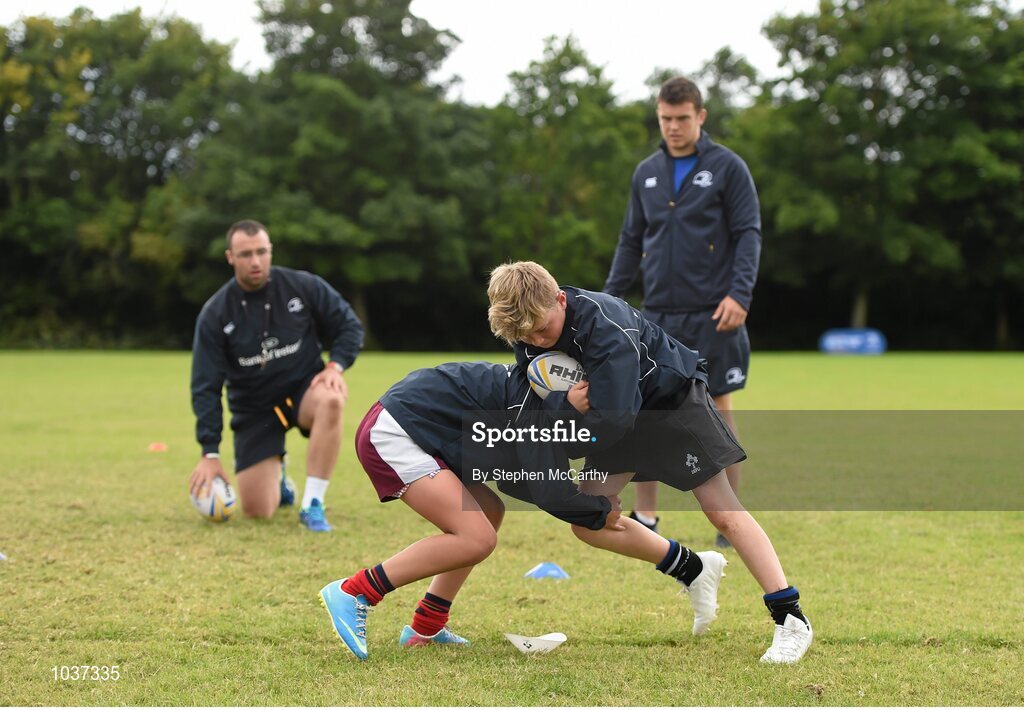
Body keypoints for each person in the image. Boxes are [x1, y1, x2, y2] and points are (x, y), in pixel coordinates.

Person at [487, 261, 812, 663]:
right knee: (588, 520)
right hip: (611, 416)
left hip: (670, 404)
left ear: (560, 299)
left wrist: (565, 427)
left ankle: (790, 617)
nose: (535, 342)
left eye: (541, 330)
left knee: (722, 511)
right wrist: (561, 404)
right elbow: (538, 393)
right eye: (524, 337)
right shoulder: (526, 331)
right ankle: (692, 569)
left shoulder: (606, 328)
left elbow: (614, 419)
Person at [318, 361, 728, 660]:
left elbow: (529, 484)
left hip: (431, 432)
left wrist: (591, 507)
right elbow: (549, 493)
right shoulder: (536, 412)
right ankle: (355, 591)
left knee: (488, 514)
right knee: (476, 536)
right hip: (397, 432)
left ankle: (426, 627)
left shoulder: (547, 404)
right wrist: (595, 507)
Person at [603, 76, 762, 547]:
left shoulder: (728, 167)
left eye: (682, 119)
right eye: (665, 119)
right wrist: (609, 299)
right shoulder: (646, 172)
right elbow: (631, 241)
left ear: (701, 117)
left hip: (715, 312)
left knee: (715, 408)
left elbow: (749, 233)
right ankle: (647, 516)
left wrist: (740, 294)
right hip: (657, 314)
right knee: (645, 409)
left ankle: (732, 524)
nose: (673, 127)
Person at [189, 219, 364, 531]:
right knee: (258, 511)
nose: (255, 261)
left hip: (303, 392)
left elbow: (349, 326)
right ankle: (279, 476)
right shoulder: (215, 313)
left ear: (271, 251)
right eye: (245, 255)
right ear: (231, 257)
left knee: (333, 399)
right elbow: (206, 386)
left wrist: (335, 366)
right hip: (255, 410)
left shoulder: (303, 285)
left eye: (261, 252)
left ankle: (313, 504)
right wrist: (210, 452)